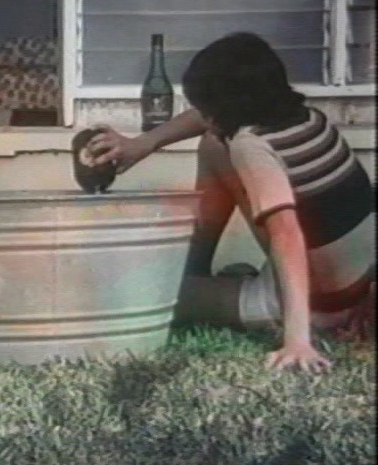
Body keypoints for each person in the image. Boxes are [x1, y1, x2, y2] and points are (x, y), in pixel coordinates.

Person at [88, 32, 375, 372]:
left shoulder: (251, 146)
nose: (205, 118)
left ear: (226, 108)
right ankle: (200, 272)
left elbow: (287, 235)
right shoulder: (309, 120)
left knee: (147, 295)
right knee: (213, 143)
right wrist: (144, 143)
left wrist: (297, 340)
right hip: (352, 284)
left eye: (208, 109)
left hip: (314, 303)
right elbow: (211, 120)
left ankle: (211, 287)